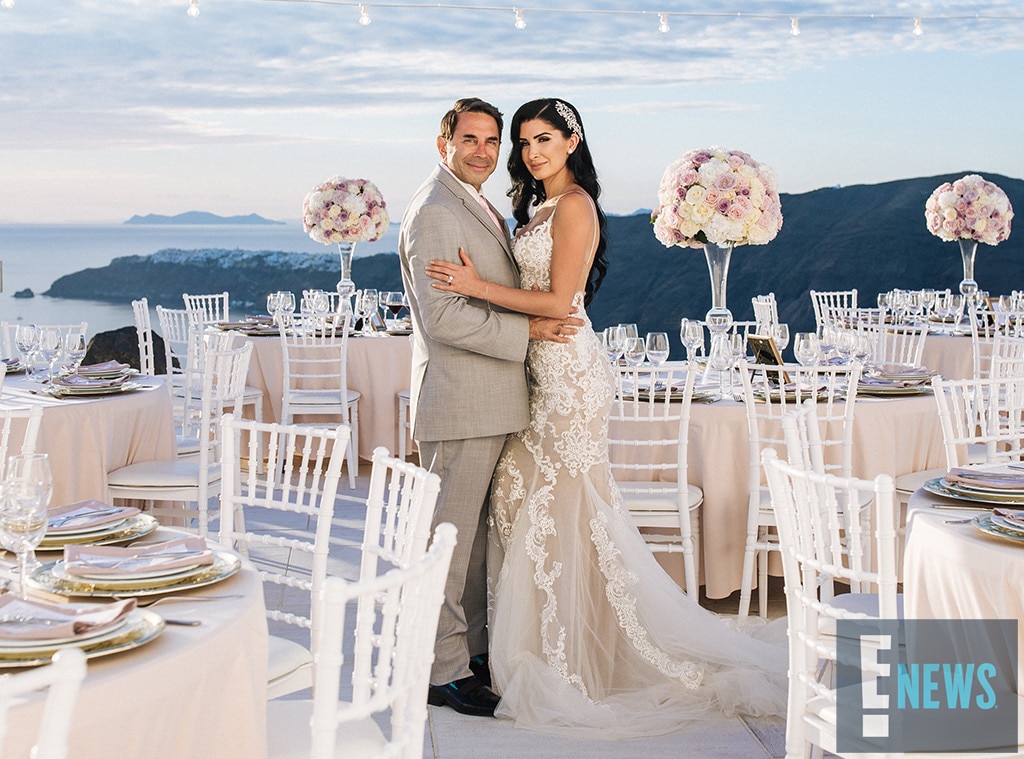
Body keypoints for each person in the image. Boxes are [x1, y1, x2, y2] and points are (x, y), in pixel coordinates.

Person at [426, 98, 787, 738]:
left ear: (572, 142)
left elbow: (562, 300)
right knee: (526, 507)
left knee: (562, 505)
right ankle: (531, 649)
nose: (532, 152)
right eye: (524, 142)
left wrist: (472, 286)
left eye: (544, 139)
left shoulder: (574, 206)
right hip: (531, 370)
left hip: (566, 375)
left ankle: (573, 660)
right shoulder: (533, 208)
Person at [398, 98, 582, 718]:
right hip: (460, 397)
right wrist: (529, 334)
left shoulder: (474, 202)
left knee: (473, 541)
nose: (482, 150)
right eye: (469, 138)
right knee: (447, 541)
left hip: (491, 397)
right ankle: (441, 670)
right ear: (442, 141)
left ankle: (469, 651)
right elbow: (444, 317)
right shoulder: (434, 211)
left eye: (491, 140)